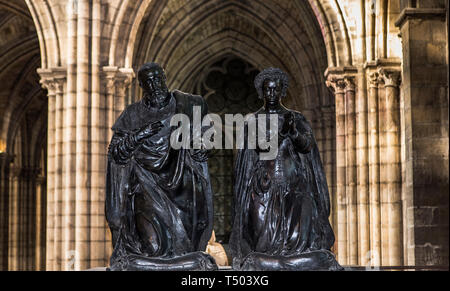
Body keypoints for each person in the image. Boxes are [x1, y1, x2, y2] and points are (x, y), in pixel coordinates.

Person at [105, 62, 217, 271]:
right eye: (149, 81)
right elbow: (116, 152)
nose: (156, 84)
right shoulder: (132, 115)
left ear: (164, 78)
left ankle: (181, 263)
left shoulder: (189, 104)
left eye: (159, 78)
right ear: (141, 85)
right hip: (146, 189)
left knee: (183, 246)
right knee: (153, 247)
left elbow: (208, 137)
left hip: (183, 188)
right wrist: (140, 135)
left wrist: (203, 147)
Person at [229, 67, 342, 270]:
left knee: (298, 237)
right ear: (261, 92)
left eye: (275, 90)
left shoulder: (296, 118)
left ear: (282, 91)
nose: (271, 94)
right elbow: (262, 146)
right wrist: (284, 131)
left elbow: (306, 146)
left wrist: (294, 131)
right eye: (267, 90)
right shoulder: (253, 120)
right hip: (263, 188)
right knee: (262, 239)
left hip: (294, 187)